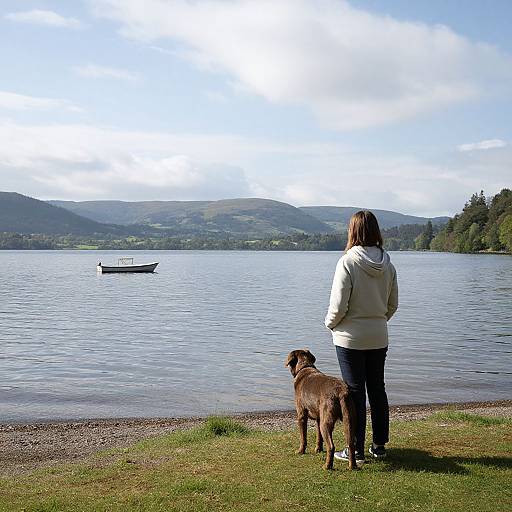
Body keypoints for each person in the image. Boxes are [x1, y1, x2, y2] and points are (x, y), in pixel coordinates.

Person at [324, 210, 398, 464]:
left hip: (350, 338)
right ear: (376, 232)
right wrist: (377, 321)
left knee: (355, 393)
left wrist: (330, 325)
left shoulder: (347, 262)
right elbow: (392, 305)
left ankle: (354, 450)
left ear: (353, 232)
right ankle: (379, 446)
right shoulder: (389, 265)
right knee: (377, 389)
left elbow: (338, 306)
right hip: (379, 336)